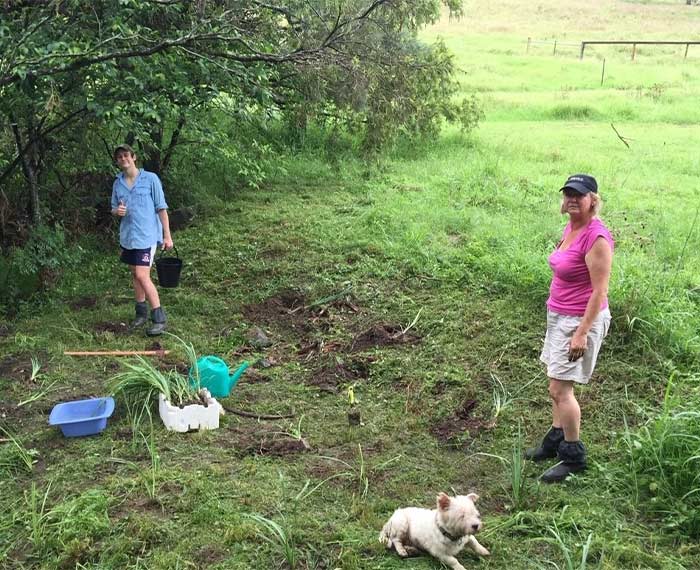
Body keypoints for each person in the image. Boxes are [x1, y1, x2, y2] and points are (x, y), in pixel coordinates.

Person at [526, 174, 613, 483]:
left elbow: (599, 291)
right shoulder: (572, 227)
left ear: (593, 200)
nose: (573, 199)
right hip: (559, 315)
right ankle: (555, 437)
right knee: (555, 382)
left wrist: (581, 332)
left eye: (580, 194)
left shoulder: (596, 237)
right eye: (568, 194)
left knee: (560, 389)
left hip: (579, 320)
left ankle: (573, 454)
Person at [110, 144, 173, 336]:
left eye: (126, 155)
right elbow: (113, 208)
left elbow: (161, 208)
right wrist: (117, 211)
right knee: (135, 276)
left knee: (142, 275)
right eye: (119, 157)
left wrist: (167, 235)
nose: (123, 159)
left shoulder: (150, 179)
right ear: (117, 161)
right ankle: (140, 313)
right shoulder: (117, 183)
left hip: (147, 236)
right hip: (128, 237)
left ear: (134, 157)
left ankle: (159, 318)